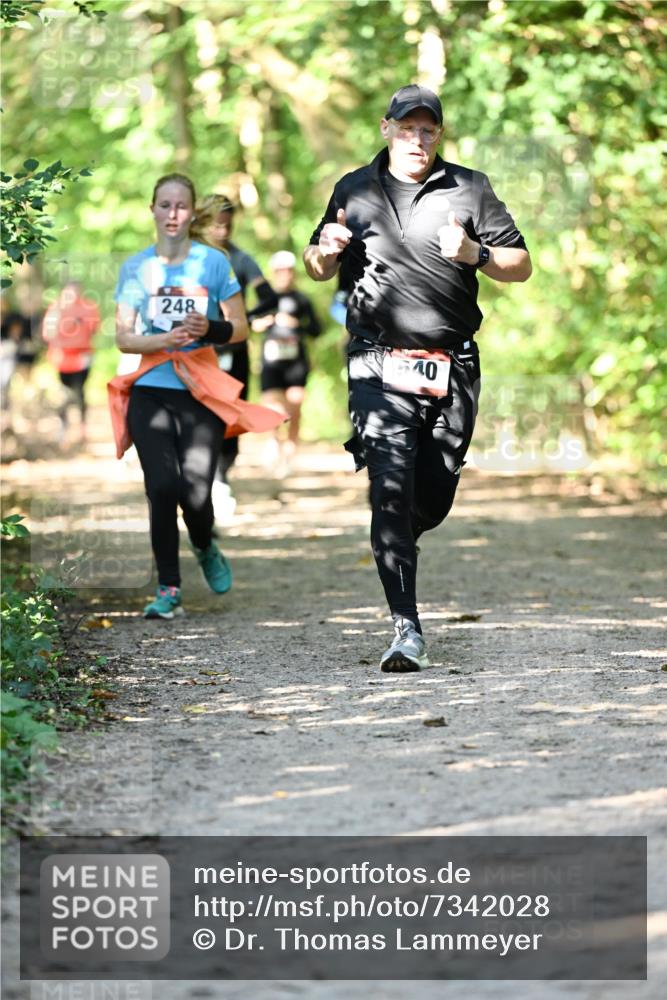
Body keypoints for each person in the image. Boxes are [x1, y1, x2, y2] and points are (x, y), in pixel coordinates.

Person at [303, 84, 532, 672]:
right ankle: (406, 625)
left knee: (432, 490)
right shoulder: (352, 189)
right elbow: (315, 262)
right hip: (376, 361)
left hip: (451, 363)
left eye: (428, 129)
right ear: (387, 129)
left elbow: (521, 265)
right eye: (408, 128)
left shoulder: (470, 187)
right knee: (390, 485)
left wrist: (474, 253)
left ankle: (401, 531)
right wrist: (325, 252)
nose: (418, 139)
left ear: (440, 135)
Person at [111, 173, 282, 620]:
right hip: (150, 389)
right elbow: (124, 339)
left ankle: (204, 544)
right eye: (164, 205)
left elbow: (240, 328)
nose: (172, 214)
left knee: (197, 495)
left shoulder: (214, 263)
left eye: (181, 206)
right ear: (152, 209)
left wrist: (208, 329)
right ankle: (169, 588)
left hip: (201, 391)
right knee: (161, 487)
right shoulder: (137, 268)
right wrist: (166, 340)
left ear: (191, 213)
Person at [190, 194, 277, 516]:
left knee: (231, 416)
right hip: (199, 354)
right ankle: (201, 480)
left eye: (228, 225)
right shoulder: (190, 259)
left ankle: (221, 476)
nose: (223, 231)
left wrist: (246, 320)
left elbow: (268, 297)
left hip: (235, 350)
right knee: (202, 416)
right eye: (217, 225)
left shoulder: (241, 259)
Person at [254, 250, 321, 469]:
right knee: (272, 407)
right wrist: (261, 323)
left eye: (288, 270)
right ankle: (274, 441)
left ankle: (290, 450)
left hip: (296, 361)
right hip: (271, 360)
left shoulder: (301, 299)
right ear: (273, 273)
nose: (284, 274)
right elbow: (248, 321)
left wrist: (296, 325)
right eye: (280, 271)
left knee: (294, 407)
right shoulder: (265, 299)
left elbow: (316, 329)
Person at [42, 280, 100, 443]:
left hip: (82, 357)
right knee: (62, 394)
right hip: (62, 358)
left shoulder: (88, 307)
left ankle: (82, 429)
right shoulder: (56, 308)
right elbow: (48, 333)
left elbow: (94, 328)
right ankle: (63, 427)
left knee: (80, 392)